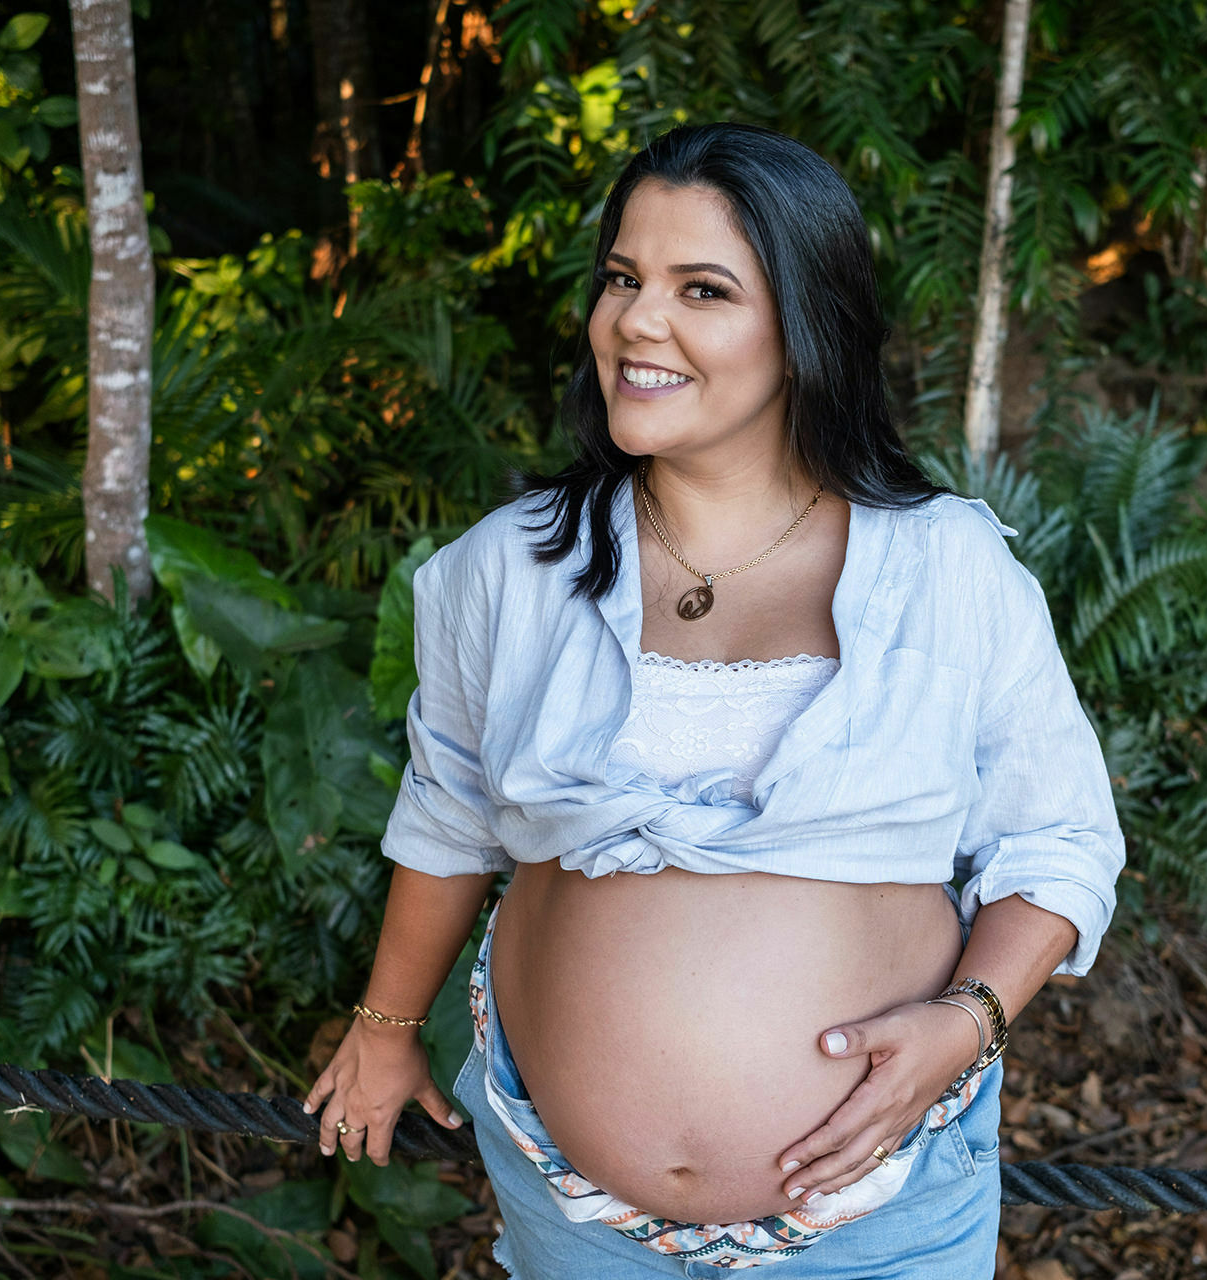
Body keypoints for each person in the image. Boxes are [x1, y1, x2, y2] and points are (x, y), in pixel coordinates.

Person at [303, 122, 1124, 1277]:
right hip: (573, 1214)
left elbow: (1059, 839)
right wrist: (387, 1027)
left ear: (804, 326)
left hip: (878, 1208)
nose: (638, 321)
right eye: (622, 278)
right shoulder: (510, 569)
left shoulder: (947, 567)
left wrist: (968, 1019)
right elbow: (450, 816)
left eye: (703, 289)